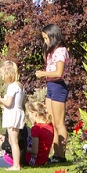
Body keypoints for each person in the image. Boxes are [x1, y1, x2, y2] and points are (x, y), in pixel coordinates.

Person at [34, 24, 70, 162]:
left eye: (46, 38)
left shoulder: (60, 51)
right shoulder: (52, 51)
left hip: (57, 87)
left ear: (53, 36)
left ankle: (61, 155)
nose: (45, 41)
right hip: (50, 86)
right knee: (51, 121)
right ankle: (54, 153)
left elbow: (59, 73)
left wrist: (43, 73)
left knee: (59, 123)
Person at [0, 60, 26, 170]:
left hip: (12, 114)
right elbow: (22, 102)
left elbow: (9, 103)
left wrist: (1, 100)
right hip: (17, 112)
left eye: (2, 75)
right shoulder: (20, 86)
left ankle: (16, 165)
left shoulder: (12, 87)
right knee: (12, 140)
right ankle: (16, 163)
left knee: (13, 141)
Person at [25, 101, 55, 166]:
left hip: (35, 161)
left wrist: (23, 148)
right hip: (43, 160)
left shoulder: (36, 128)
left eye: (29, 114)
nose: (29, 117)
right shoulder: (50, 125)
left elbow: (34, 151)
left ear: (35, 114)